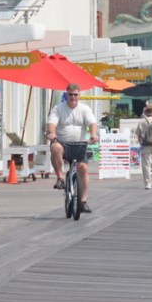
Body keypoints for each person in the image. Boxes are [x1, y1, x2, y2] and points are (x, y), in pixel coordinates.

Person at [46, 83, 99, 213]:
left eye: (75, 94)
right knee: (55, 147)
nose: (73, 97)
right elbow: (51, 124)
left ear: (79, 95)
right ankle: (60, 178)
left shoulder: (84, 109)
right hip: (63, 144)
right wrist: (52, 133)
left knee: (83, 168)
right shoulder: (59, 108)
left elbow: (92, 123)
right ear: (66, 94)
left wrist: (93, 134)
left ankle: (83, 201)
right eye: (70, 94)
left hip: (79, 145)